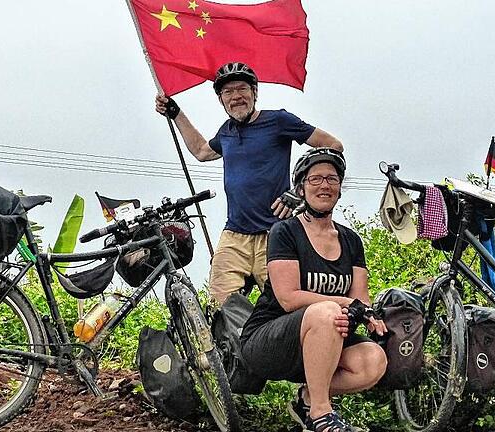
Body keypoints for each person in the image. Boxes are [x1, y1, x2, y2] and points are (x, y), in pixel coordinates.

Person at [155, 62, 343, 305]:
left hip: (275, 234)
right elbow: (202, 151)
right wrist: (175, 113)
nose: (236, 97)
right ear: (221, 100)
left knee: (284, 305)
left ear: (255, 92)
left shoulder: (279, 121)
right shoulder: (227, 132)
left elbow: (332, 146)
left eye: (242, 89)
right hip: (234, 235)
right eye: (228, 92)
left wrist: (299, 192)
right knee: (220, 306)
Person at [239, 148, 388, 432]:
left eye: (332, 179)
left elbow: (361, 296)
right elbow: (288, 297)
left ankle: (308, 399)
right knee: (327, 311)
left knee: (373, 361)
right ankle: (321, 415)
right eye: (315, 179)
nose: (324, 186)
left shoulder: (351, 241)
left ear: (340, 188)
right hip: (270, 340)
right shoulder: (284, 231)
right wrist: (344, 302)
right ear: (301, 187)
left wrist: (363, 315)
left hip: (325, 338)